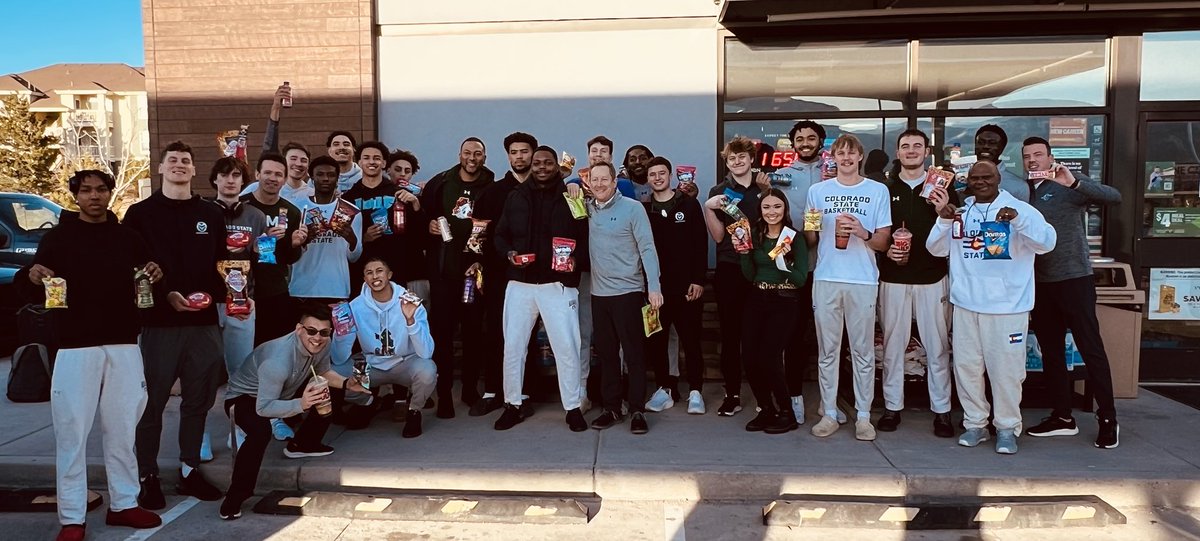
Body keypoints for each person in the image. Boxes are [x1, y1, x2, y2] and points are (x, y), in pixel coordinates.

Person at [21, 170, 164, 541]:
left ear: (110, 193)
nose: (94, 196)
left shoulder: (129, 238)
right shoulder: (57, 238)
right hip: (73, 346)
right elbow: (33, 282)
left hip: (123, 344)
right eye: (86, 191)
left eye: (101, 190)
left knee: (122, 430)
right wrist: (33, 275)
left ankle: (124, 503)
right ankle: (71, 517)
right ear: (76, 196)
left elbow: (150, 278)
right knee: (71, 433)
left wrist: (155, 271)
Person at [927, 161, 1057, 455]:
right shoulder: (962, 213)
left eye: (988, 177)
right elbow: (936, 249)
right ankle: (975, 424)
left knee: (1006, 372)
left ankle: (1007, 427)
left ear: (999, 179)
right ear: (968, 181)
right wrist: (943, 221)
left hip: (1007, 308)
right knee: (967, 369)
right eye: (976, 178)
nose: (981, 182)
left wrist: (1018, 221)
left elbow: (1047, 242)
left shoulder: (1021, 210)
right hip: (966, 306)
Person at [123, 140, 226, 509]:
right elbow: (130, 267)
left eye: (186, 160)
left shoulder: (211, 214)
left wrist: (223, 293)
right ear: (161, 168)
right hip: (158, 323)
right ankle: (147, 475)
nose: (180, 165)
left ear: (194, 170)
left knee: (199, 401)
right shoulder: (139, 214)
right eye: (173, 161)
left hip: (204, 323)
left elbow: (224, 264)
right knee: (151, 402)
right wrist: (165, 294)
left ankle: (188, 470)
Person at [218, 303, 367, 520]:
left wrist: (346, 384)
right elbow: (264, 407)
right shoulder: (276, 361)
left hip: (286, 388)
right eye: (312, 331)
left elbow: (324, 371)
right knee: (260, 432)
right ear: (299, 329)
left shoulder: (322, 342)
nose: (318, 337)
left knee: (325, 388)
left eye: (324, 332)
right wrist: (302, 404)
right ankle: (235, 497)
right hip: (246, 398)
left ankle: (304, 443)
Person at [1021, 136, 1123, 449]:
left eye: (1038, 154)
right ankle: (1063, 417)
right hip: (1041, 282)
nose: (1033, 160)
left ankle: (1108, 419)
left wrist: (1075, 182)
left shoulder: (1067, 183)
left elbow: (1113, 196)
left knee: (1091, 348)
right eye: (1027, 156)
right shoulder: (1023, 193)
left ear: (1050, 157)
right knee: (1050, 351)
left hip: (1074, 278)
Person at [492, 145, 589, 431]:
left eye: (548, 162)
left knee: (567, 348)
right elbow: (499, 235)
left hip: (558, 285)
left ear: (557, 166)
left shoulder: (572, 196)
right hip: (520, 284)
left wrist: (575, 262)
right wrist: (509, 254)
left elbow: (584, 236)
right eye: (537, 163)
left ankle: (572, 407)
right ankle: (513, 404)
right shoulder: (515, 196)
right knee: (513, 347)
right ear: (531, 165)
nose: (542, 167)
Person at [804, 134, 892, 442]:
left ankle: (864, 417)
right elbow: (810, 242)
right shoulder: (818, 191)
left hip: (863, 279)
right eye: (840, 153)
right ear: (834, 157)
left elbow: (883, 241)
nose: (845, 158)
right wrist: (810, 230)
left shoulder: (877, 190)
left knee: (863, 351)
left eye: (850, 153)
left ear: (859, 157)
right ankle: (829, 412)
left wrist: (862, 231)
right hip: (827, 276)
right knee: (827, 351)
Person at [877, 129, 956, 438]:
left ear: (927, 152)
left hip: (932, 277)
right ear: (898, 153)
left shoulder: (943, 187)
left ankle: (942, 411)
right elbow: (878, 233)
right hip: (893, 278)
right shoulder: (884, 189)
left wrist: (943, 210)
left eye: (917, 146)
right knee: (893, 346)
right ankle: (892, 406)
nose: (911, 151)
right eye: (905, 146)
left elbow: (956, 232)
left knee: (937, 347)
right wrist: (887, 251)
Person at [420, 137, 495, 418]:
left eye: (477, 153)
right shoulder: (441, 183)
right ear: (459, 154)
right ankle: (444, 395)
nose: (472, 158)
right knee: (442, 334)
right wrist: (427, 225)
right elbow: (423, 218)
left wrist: (480, 261)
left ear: (485, 157)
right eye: (467, 153)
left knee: (475, 334)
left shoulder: (491, 186)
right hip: (444, 273)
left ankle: (469, 391)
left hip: (475, 273)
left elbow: (497, 229)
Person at [586, 162, 663, 434]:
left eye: (603, 179)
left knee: (634, 354)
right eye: (593, 180)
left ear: (614, 181)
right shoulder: (587, 208)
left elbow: (648, 248)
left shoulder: (633, 208)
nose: (598, 184)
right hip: (599, 294)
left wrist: (653, 287)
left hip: (629, 293)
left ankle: (637, 410)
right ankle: (612, 407)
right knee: (606, 355)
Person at [472, 132, 543, 416]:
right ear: (508, 156)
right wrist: (476, 262)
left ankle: (526, 391)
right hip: (500, 273)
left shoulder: (547, 189)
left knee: (530, 334)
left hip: (538, 276)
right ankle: (492, 391)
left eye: (524, 151)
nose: (520, 157)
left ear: (533, 154)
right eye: (514, 152)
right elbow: (479, 232)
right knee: (496, 332)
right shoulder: (493, 192)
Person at [289, 155, 365, 422]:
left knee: (337, 354)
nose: (325, 180)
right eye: (319, 175)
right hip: (302, 290)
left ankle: (333, 411)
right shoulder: (296, 208)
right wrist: (303, 239)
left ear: (337, 178)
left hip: (337, 291)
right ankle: (298, 410)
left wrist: (350, 236)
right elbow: (287, 251)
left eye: (330, 175)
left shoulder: (351, 211)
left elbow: (356, 256)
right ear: (311, 177)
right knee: (301, 355)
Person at [763, 120, 827, 424]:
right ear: (792, 144)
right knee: (794, 337)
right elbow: (771, 213)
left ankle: (832, 400)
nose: (805, 142)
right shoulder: (781, 176)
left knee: (829, 338)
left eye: (811, 138)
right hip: (794, 268)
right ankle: (794, 396)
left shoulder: (835, 172)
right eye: (799, 138)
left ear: (820, 141)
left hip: (830, 267)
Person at [701, 136, 766, 417]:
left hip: (763, 266)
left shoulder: (764, 187)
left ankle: (765, 394)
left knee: (761, 334)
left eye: (742, 157)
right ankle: (732, 394)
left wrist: (768, 192)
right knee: (730, 334)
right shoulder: (720, 190)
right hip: (730, 266)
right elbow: (717, 236)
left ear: (751, 159)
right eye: (731, 159)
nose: (737, 162)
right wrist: (708, 207)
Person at [739, 188, 808, 434]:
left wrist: (784, 264)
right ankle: (765, 408)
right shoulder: (754, 235)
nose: (772, 212)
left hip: (784, 300)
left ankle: (786, 412)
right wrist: (745, 256)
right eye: (767, 207)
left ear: (785, 209)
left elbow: (800, 279)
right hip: (757, 297)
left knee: (769, 357)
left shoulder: (794, 237)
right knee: (749, 357)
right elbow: (749, 275)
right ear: (760, 210)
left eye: (777, 207)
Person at [642, 156, 707, 415]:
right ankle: (664, 390)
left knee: (691, 340)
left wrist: (698, 279)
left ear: (670, 175)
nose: (657, 177)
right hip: (657, 288)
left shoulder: (689, 205)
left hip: (687, 287)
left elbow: (700, 244)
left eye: (661, 173)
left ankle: (695, 391)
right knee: (657, 340)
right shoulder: (644, 210)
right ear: (647, 180)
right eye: (652, 174)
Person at [347, 258, 437, 438]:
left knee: (428, 370)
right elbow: (339, 355)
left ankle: (414, 411)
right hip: (372, 363)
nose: (375, 276)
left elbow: (426, 353)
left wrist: (410, 321)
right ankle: (368, 402)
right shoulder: (355, 307)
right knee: (337, 372)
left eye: (379, 271)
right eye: (369, 272)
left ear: (389, 275)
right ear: (364, 278)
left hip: (404, 362)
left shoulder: (409, 300)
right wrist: (340, 333)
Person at [208, 156, 266, 377]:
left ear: (244, 181)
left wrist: (264, 251)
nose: (230, 180)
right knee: (205, 367)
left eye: (236, 175)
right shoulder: (203, 213)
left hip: (243, 300)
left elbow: (262, 262)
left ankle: (238, 410)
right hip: (209, 300)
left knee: (240, 368)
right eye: (223, 175)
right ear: (215, 180)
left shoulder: (256, 216)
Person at [241, 153, 307, 348]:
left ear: (285, 179)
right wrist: (258, 243)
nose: (272, 178)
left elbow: (289, 259)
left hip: (275, 291)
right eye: (267, 172)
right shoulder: (242, 205)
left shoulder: (292, 212)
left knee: (275, 349)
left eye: (278, 174)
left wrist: (294, 244)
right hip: (241, 291)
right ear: (257, 174)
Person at [242, 84, 313, 207]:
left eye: (303, 160)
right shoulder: (256, 188)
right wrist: (275, 108)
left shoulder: (312, 194)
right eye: (293, 158)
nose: (298, 164)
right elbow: (269, 147)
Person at [342, 140, 397, 292]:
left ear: (384, 163)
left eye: (376, 158)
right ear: (359, 162)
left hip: (394, 267)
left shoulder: (397, 193)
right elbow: (343, 239)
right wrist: (363, 238)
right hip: (359, 269)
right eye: (366, 158)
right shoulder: (348, 198)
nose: (371, 162)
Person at [384, 149, 430, 302]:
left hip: (414, 269)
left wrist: (416, 204)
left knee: (417, 316)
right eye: (397, 169)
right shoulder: (381, 195)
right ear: (388, 170)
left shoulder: (419, 196)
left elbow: (424, 236)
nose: (402, 174)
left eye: (407, 171)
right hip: (387, 268)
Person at [973, 125, 1030, 202]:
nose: (986, 146)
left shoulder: (1019, 186)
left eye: (992, 143)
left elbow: (1024, 213)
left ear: (1002, 148)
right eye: (981, 142)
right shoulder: (960, 179)